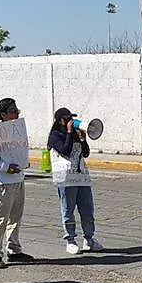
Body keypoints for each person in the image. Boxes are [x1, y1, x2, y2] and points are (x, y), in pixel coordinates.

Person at [0, 97, 34, 268]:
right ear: (3, 114)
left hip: (18, 179)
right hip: (3, 181)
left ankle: (13, 249)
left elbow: (20, 149)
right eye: (12, 110)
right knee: (0, 218)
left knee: (16, 217)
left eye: (16, 109)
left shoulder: (18, 130)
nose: (16, 112)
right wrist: (4, 167)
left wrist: (24, 160)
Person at [48, 107, 102, 255]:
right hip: (65, 179)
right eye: (68, 118)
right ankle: (70, 241)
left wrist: (83, 138)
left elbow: (85, 153)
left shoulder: (75, 135)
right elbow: (64, 150)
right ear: (61, 120)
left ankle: (89, 239)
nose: (71, 121)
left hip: (81, 177)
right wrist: (70, 133)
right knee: (68, 210)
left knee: (87, 209)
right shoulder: (55, 135)